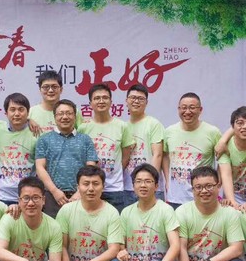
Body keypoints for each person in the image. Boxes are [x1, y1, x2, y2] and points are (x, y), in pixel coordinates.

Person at [35, 99, 99, 218]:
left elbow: (91, 169)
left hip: (81, 196)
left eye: (69, 113)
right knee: (53, 228)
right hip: (52, 196)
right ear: (55, 117)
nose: (65, 117)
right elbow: (40, 167)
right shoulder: (44, 139)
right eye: (61, 113)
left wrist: (80, 192)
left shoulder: (85, 140)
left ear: (75, 116)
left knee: (80, 228)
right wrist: (55, 191)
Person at [77, 84, 134, 212]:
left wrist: (115, 172)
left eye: (105, 98)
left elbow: (126, 156)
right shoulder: (83, 128)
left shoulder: (122, 126)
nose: (101, 101)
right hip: (89, 187)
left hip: (114, 189)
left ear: (111, 102)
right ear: (90, 103)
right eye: (97, 98)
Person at [163, 93, 221, 209]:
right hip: (175, 197)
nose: (187, 111)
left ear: (200, 110)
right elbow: (164, 155)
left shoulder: (212, 132)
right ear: (178, 109)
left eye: (192, 107)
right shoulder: (169, 131)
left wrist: (218, 183)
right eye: (184, 108)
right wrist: (168, 180)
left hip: (202, 197)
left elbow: (224, 160)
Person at [0, 93, 37, 206]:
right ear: (6, 113)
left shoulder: (36, 133)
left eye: (21, 109)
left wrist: (30, 120)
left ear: (28, 112)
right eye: (12, 110)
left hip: (27, 196)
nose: (17, 114)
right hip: (1, 196)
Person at [124, 84, 165, 204]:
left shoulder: (154, 124)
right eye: (133, 98)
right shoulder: (123, 126)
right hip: (128, 187)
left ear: (146, 102)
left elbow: (157, 155)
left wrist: (151, 181)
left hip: (150, 187)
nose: (136, 101)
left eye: (140, 99)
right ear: (126, 101)